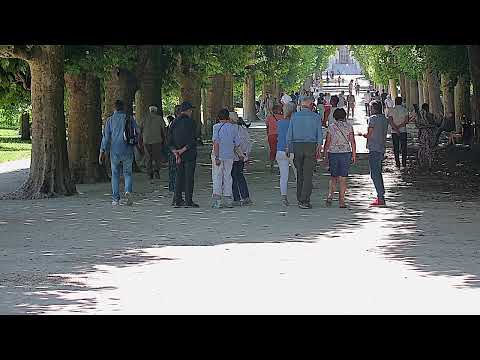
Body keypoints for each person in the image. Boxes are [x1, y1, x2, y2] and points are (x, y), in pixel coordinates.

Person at [99, 99, 139, 206]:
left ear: (114, 108)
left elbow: (106, 138)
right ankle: (128, 191)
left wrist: (102, 150)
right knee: (128, 173)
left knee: (115, 174)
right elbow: (137, 132)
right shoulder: (129, 118)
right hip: (128, 149)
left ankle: (115, 198)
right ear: (123, 108)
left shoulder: (110, 120)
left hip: (115, 150)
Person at [286, 96, 323, 209]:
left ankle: (299, 197)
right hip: (310, 146)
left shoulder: (294, 117)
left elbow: (289, 134)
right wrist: (319, 148)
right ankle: (304, 199)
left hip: (297, 146)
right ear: (311, 105)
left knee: (300, 174)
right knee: (308, 174)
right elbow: (319, 135)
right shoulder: (316, 117)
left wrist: (288, 148)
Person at [323, 108, 356, 208]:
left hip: (333, 153)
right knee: (343, 178)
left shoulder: (331, 127)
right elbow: (352, 141)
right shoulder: (349, 127)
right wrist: (354, 154)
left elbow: (328, 142)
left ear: (334, 116)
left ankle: (330, 196)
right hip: (346, 153)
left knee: (333, 177)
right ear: (344, 116)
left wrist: (325, 155)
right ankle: (342, 201)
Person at [168, 101, 199, 208]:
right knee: (189, 178)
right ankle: (188, 201)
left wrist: (175, 152)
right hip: (189, 154)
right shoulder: (191, 122)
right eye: (191, 110)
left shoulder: (174, 122)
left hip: (177, 154)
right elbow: (193, 140)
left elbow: (169, 140)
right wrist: (183, 150)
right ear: (188, 111)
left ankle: (177, 200)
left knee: (178, 177)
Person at [211, 109, 242, 209]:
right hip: (229, 156)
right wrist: (241, 155)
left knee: (217, 176)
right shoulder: (234, 128)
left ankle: (217, 200)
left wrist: (216, 157)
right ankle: (228, 199)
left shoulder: (216, 127)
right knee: (228, 177)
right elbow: (236, 144)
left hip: (219, 155)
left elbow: (216, 143)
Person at [360, 100, 388, 206]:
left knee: (374, 174)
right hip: (381, 147)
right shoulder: (384, 119)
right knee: (378, 172)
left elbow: (369, 134)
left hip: (374, 148)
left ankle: (380, 197)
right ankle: (381, 195)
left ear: (373, 108)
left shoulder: (372, 119)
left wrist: (362, 134)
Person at [276, 102, 298, 206]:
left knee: (283, 176)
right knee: (298, 174)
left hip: (280, 150)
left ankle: (284, 197)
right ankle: (300, 196)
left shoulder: (280, 122)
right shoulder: (296, 123)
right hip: (293, 150)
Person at [229, 111, 252, 206]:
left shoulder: (229, 129)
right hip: (242, 156)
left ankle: (237, 198)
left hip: (233, 156)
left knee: (233, 177)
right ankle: (245, 196)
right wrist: (246, 154)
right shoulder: (242, 129)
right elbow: (248, 142)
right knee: (240, 175)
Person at [140, 105, 166, 180]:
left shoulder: (144, 118)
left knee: (148, 157)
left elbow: (140, 129)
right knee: (157, 157)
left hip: (146, 140)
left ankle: (149, 173)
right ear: (156, 111)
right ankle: (156, 171)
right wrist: (165, 139)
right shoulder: (159, 118)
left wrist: (141, 139)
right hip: (157, 140)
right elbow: (163, 129)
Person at [413, 103, 438, 170]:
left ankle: (422, 163)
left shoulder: (418, 116)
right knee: (429, 148)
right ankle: (429, 164)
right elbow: (434, 124)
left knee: (422, 148)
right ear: (427, 108)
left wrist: (422, 126)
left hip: (421, 134)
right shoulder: (430, 115)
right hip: (429, 133)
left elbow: (417, 125)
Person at [388, 96, 409, 168]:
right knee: (404, 147)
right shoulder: (405, 110)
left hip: (394, 132)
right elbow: (406, 121)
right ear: (401, 102)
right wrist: (400, 127)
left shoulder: (391, 110)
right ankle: (404, 163)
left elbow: (390, 121)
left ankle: (397, 162)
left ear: (395, 102)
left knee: (396, 147)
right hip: (403, 131)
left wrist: (396, 129)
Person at [265, 104, 282, 173]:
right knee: (280, 150)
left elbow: (267, 126)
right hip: (280, 135)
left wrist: (268, 134)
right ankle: (280, 165)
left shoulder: (269, 117)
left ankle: (272, 165)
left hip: (271, 135)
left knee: (272, 151)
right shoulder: (283, 117)